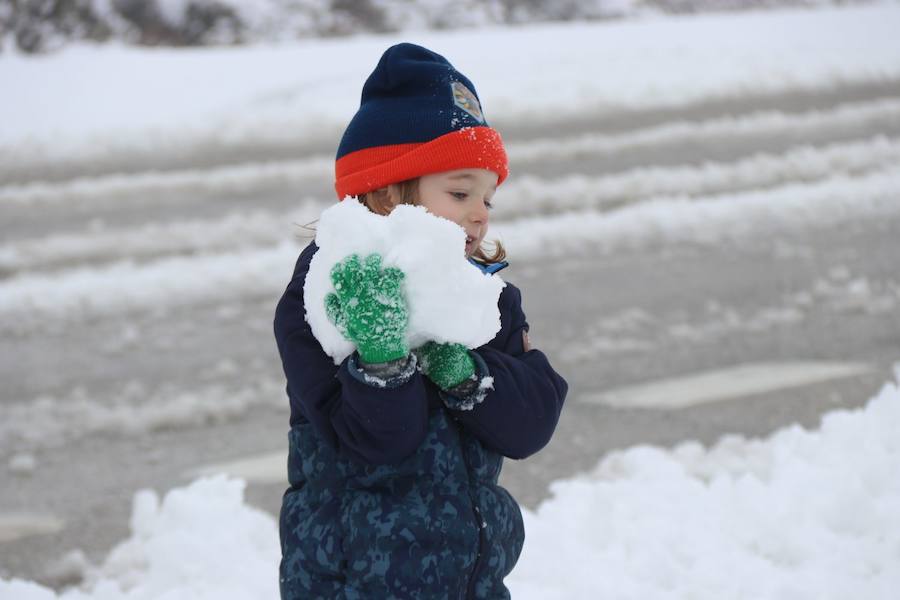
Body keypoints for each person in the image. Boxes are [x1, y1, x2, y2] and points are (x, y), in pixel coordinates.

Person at [273, 42, 568, 600]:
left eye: (489, 199)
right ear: (387, 193)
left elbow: (531, 424)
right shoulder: (321, 298)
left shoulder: (485, 300)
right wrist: (381, 359)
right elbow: (375, 444)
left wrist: (468, 375)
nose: (481, 213)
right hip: (350, 584)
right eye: (460, 192)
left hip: (472, 582)